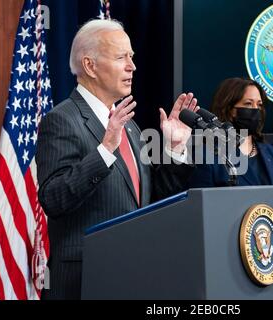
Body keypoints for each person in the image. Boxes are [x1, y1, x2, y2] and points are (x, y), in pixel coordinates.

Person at [36, 19, 198, 299]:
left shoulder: (129, 126)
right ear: (90, 66)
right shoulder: (62, 120)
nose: (132, 66)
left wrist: (173, 150)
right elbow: (53, 199)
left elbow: (151, 201)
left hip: (132, 276)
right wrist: (104, 150)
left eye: (132, 57)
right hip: (84, 281)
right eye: (121, 57)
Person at [188, 77, 273, 187]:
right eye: (248, 103)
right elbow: (201, 202)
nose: (256, 109)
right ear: (229, 110)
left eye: (259, 105)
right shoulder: (208, 155)